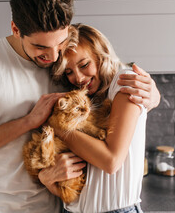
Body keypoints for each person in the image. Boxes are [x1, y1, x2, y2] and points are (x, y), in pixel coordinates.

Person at [0, 0, 160, 212]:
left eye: (60, 43)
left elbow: (108, 96)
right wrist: (29, 121)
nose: (54, 57)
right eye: (40, 47)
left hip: (58, 206)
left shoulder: (70, 63)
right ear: (16, 29)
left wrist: (152, 98)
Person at [39, 23, 149, 213]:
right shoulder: (83, 97)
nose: (79, 78)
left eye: (84, 65)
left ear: (101, 55)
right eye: (69, 72)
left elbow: (111, 161)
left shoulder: (125, 81)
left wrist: (57, 127)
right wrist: (47, 180)